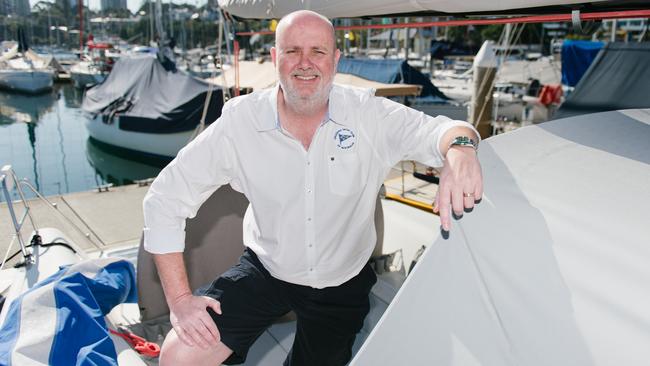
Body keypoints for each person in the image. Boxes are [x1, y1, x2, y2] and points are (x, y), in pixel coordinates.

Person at [143, 10, 483, 366]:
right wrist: (180, 301)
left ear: (335, 60)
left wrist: (461, 150)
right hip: (268, 270)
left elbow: (445, 130)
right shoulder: (240, 123)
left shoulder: (370, 116)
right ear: (275, 58)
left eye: (318, 51)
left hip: (342, 279)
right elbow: (165, 198)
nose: (305, 64)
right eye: (292, 51)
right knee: (180, 356)